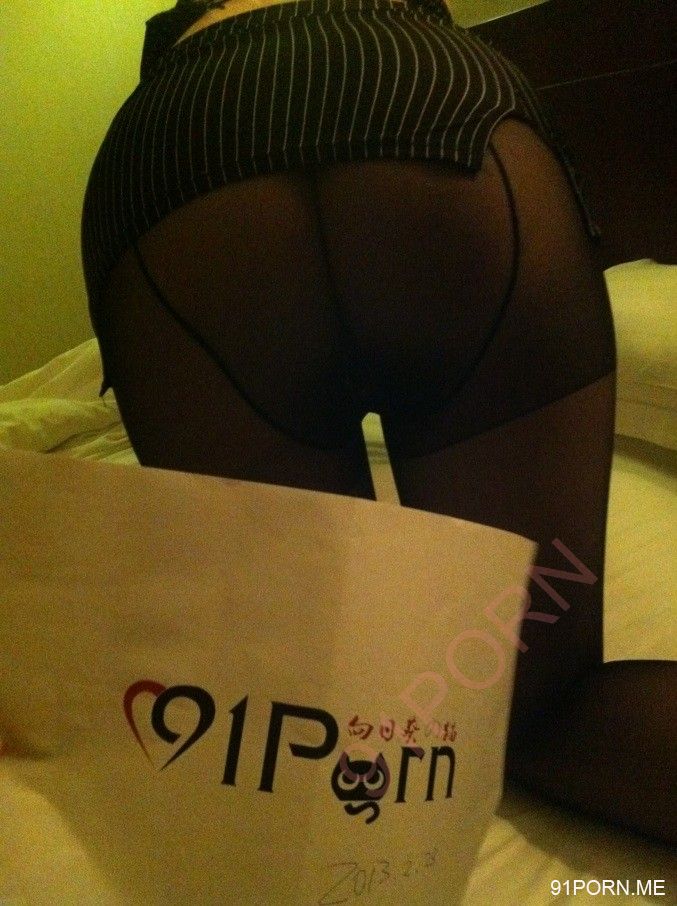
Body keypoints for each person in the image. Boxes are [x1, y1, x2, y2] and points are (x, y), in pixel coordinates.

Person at [81, 0, 674, 844]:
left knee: (303, 694)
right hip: (423, 91)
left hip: (180, 144)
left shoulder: (175, 35)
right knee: (535, 694)